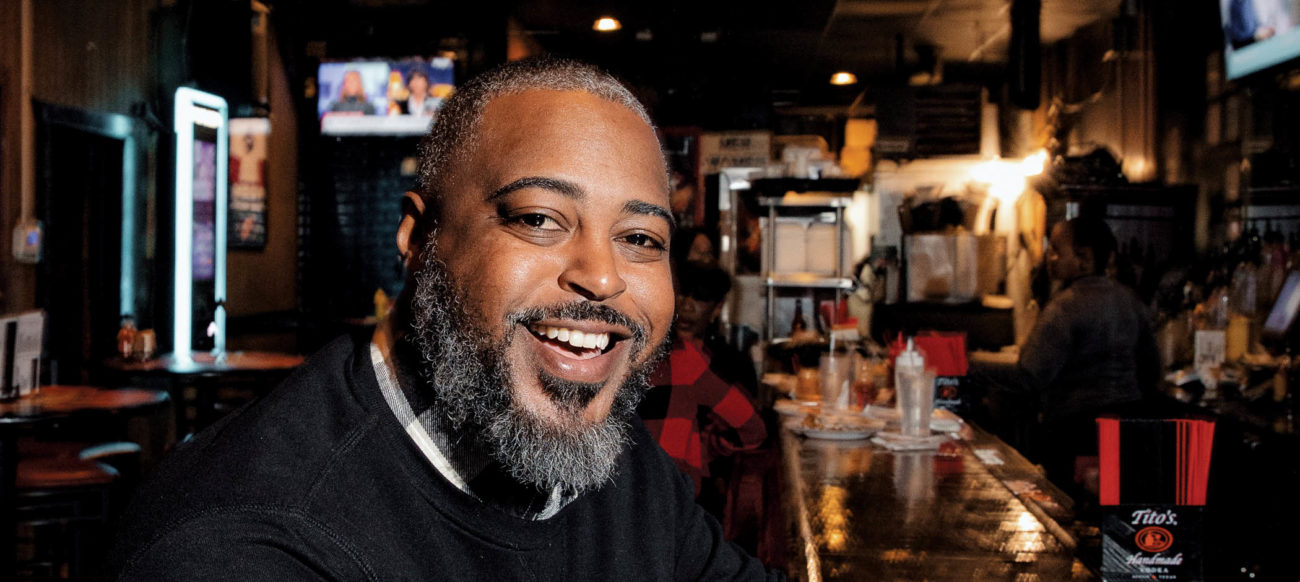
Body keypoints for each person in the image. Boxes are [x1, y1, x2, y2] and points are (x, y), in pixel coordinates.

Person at [106, 58, 782, 580]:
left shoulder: (622, 469)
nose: (603, 278)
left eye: (640, 238)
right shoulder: (246, 544)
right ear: (420, 239)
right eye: (538, 219)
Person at [1016, 217, 1160, 492]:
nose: (1049, 257)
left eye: (1056, 250)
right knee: (1114, 503)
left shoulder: (1064, 307)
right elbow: (1152, 369)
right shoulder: (1131, 301)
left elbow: (1031, 374)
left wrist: (973, 368)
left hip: (1075, 432)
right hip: (1126, 429)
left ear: (1084, 258)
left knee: (1068, 507)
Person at [639, 261, 766, 514]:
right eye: (683, 294)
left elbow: (750, 426)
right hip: (672, 495)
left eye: (699, 298)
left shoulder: (728, 362)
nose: (687, 305)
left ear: (717, 308)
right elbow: (753, 427)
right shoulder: (676, 360)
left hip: (668, 492)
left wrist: (709, 445)